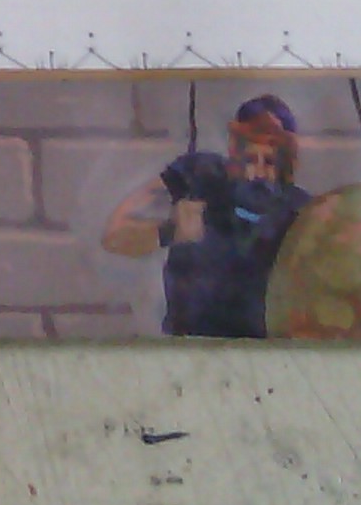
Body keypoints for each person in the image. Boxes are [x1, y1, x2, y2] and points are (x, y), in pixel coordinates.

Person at [103, 94, 308, 338]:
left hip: (263, 349)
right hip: (191, 343)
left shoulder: (300, 211)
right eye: (251, 159)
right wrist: (170, 231)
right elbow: (114, 237)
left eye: (270, 162)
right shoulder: (201, 177)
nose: (259, 173)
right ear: (236, 154)